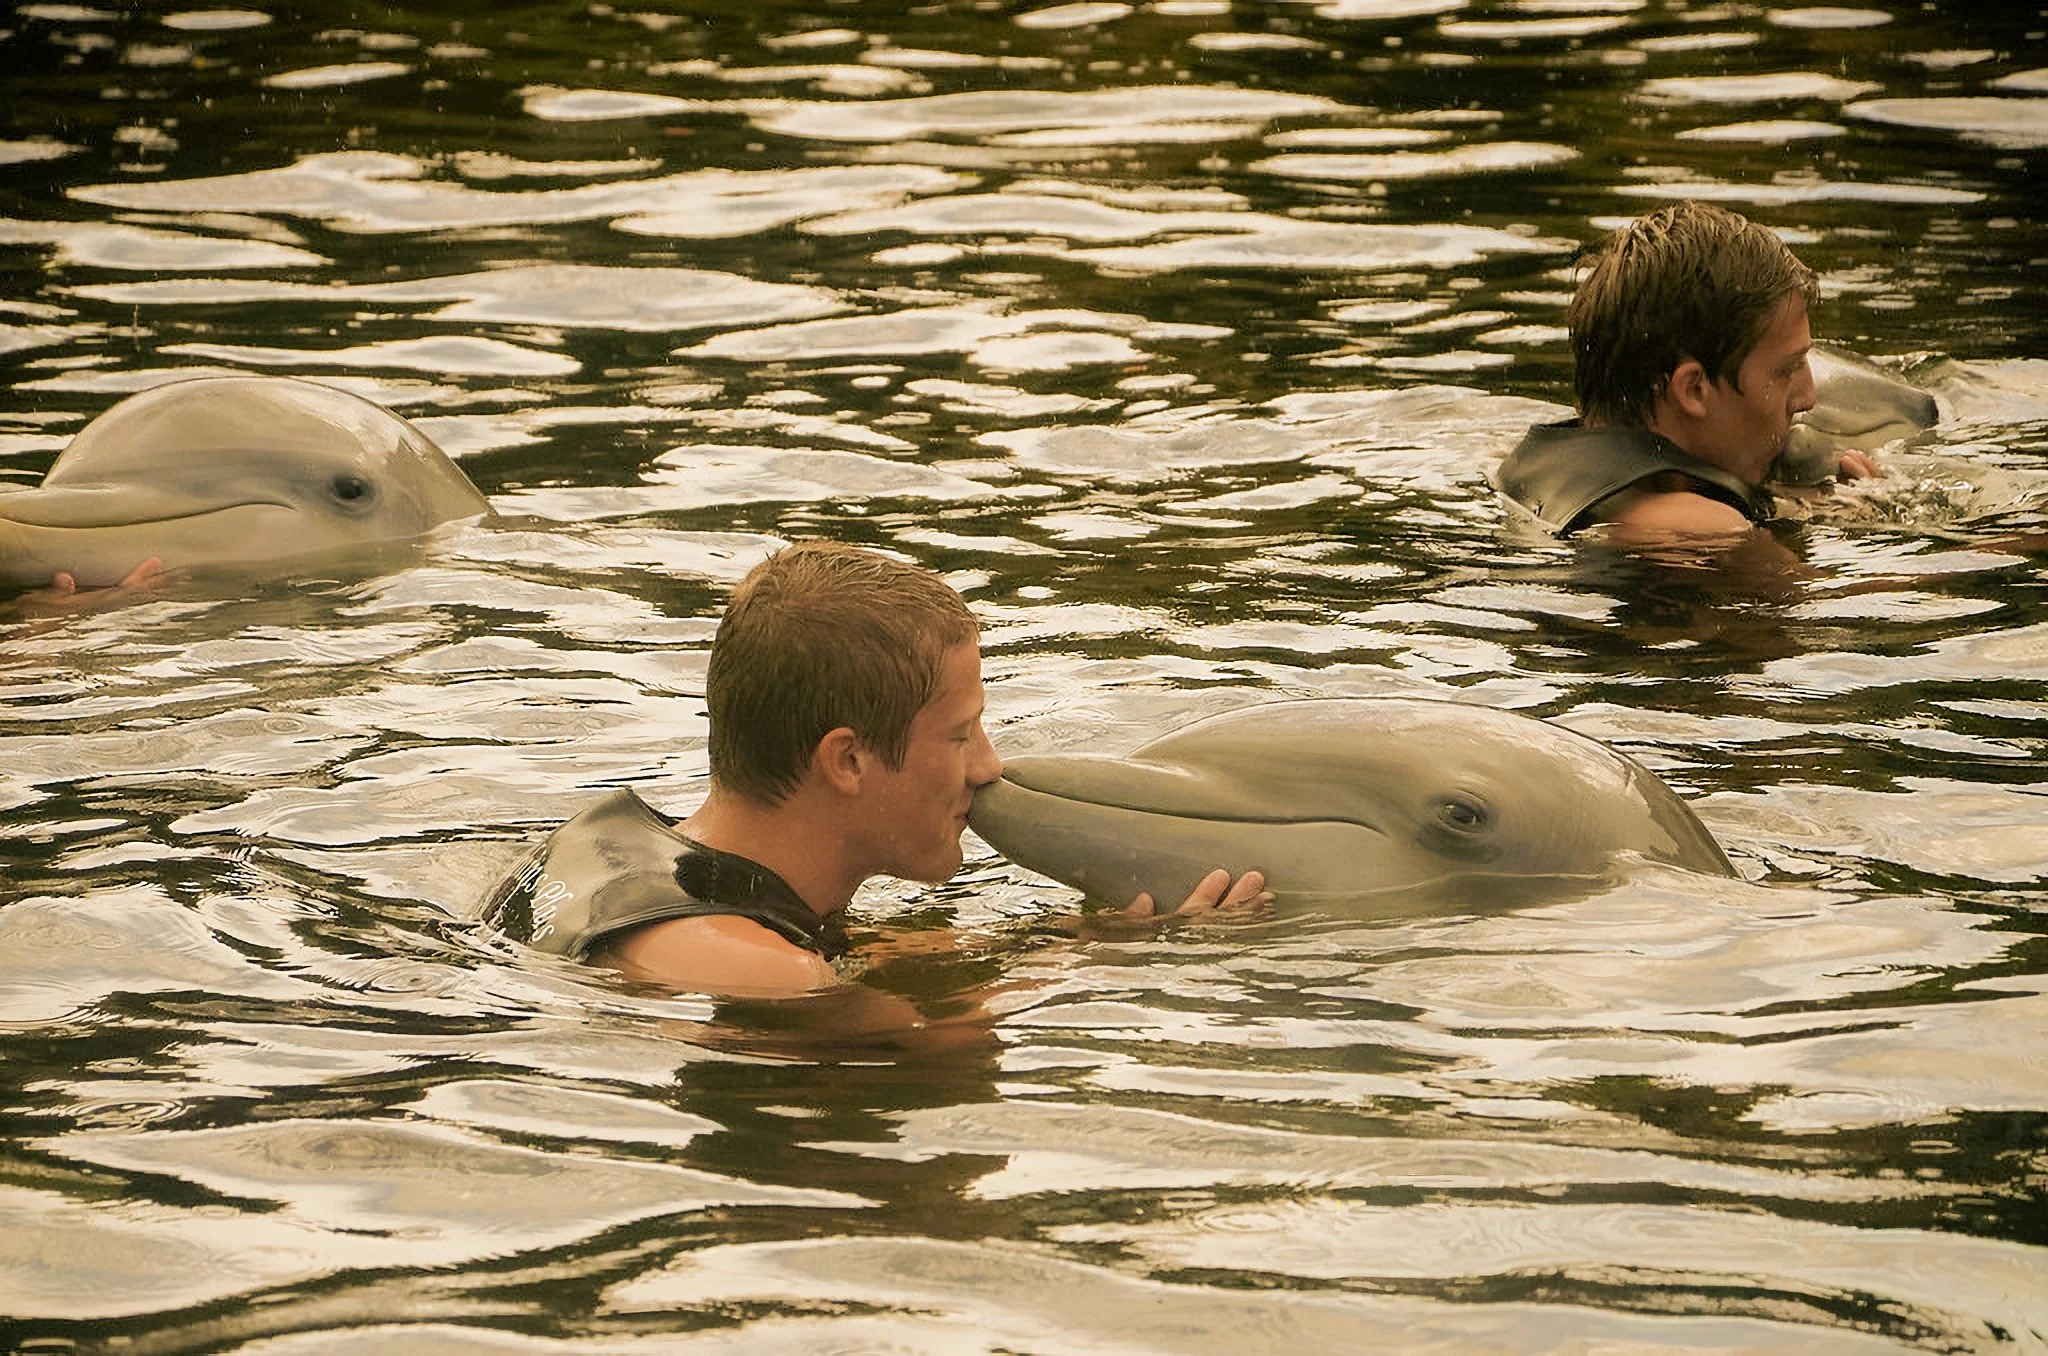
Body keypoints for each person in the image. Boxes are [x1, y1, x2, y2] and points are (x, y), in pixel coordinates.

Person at [481, 540, 1268, 1003]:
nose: (990, 768)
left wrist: (1071, 934)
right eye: (961, 735)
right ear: (849, 760)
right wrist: (1127, 968)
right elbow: (935, 1054)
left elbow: (853, 959)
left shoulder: (618, 851)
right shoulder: (767, 978)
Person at [1496, 200, 1877, 546]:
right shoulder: (1706, 528)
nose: (1807, 397)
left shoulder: (1538, 472)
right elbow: (1834, 612)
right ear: (1694, 389)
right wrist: (1863, 515)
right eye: (1787, 369)